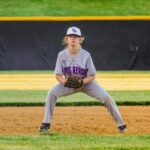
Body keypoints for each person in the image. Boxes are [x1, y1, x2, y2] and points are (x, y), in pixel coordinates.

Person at [39, 26, 127, 133]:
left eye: (76, 37)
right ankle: (46, 123)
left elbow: (92, 75)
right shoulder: (61, 55)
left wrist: (82, 82)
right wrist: (65, 82)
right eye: (71, 36)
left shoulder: (86, 55)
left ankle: (121, 125)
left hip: (87, 84)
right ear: (66, 39)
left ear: (80, 39)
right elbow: (58, 75)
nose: (73, 38)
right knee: (51, 94)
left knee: (107, 98)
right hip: (69, 84)